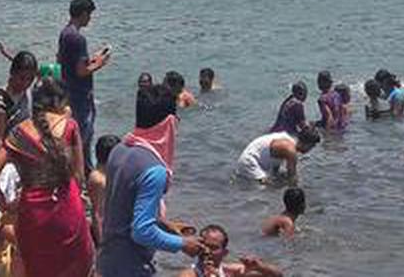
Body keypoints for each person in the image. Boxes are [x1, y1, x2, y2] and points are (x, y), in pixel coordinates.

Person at [0, 79, 93, 277]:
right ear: (59, 102)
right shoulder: (69, 126)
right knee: (73, 264)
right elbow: (79, 178)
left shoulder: (19, 132)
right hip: (67, 206)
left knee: (34, 263)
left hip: (33, 212)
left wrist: (5, 203)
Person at [99, 84, 204, 276]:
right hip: (130, 266)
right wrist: (182, 244)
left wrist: (166, 226)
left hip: (107, 259)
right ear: (170, 122)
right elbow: (141, 231)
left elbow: (123, 208)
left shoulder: (119, 150)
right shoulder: (154, 170)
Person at [58, 0, 110, 173]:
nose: (90, 19)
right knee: (83, 138)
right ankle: (83, 175)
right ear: (83, 13)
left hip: (69, 91)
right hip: (80, 95)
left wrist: (91, 60)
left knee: (76, 137)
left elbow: (65, 62)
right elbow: (81, 71)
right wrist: (100, 63)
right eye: (90, 14)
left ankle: (84, 173)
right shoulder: (78, 39)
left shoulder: (65, 33)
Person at [180, 225, 283, 277]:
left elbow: (277, 275)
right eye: (204, 245)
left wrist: (259, 266)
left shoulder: (229, 271)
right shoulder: (188, 275)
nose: (207, 251)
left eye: (214, 248)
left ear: (224, 253)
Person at [0, 50, 38, 151]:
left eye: (30, 79)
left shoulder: (28, 92)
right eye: (22, 78)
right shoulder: (0, 101)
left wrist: (9, 56)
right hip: (11, 151)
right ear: (12, 73)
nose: (26, 83)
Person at [236, 127, 321, 184]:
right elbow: (292, 179)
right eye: (311, 146)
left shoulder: (288, 140)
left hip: (251, 157)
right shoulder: (290, 151)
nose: (311, 150)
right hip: (249, 161)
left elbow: (275, 166)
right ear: (307, 144)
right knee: (266, 188)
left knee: (277, 180)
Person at [89, 134, 120, 247]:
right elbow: (96, 213)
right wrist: (102, 242)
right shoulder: (98, 179)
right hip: (103, 231)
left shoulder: (107, 175)